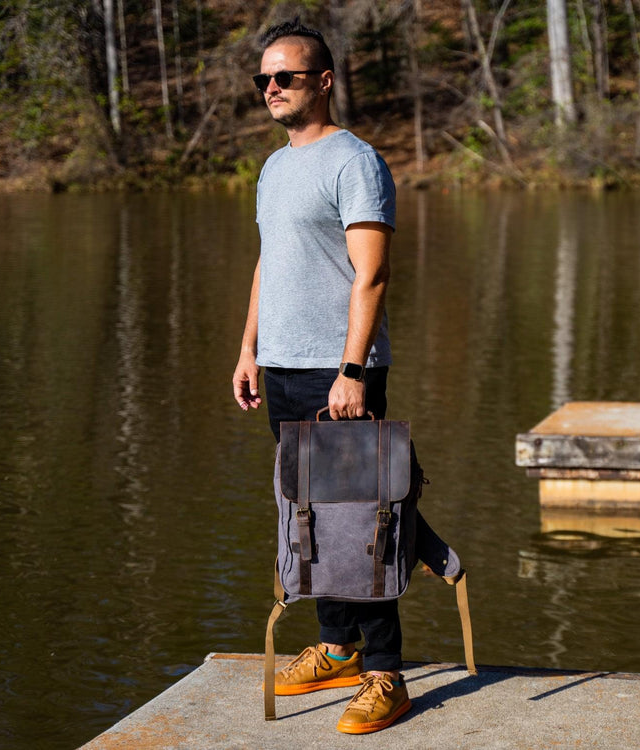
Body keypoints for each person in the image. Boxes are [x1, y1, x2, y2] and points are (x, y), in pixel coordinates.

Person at [231, 19, 409, 735]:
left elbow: (372, 274)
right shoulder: (275, 167)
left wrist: (352, 371)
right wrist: (248, 349)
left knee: (362, 525)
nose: (271, 89)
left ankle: (386, 673)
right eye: (263, 80)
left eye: (286, 77)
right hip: (281, 367)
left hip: (336, 375)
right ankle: (337, 648)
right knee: (310, 522)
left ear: (323, 82)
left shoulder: (354, 162)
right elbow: (269, 263)